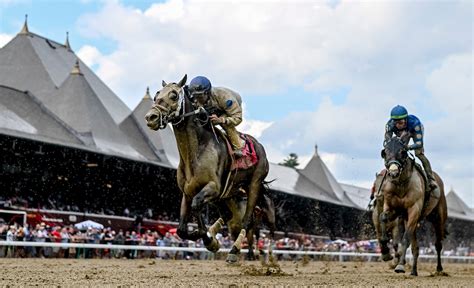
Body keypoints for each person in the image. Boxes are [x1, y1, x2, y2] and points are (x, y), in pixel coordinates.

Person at [188, 76, 245, 157]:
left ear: (207, 93)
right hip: (212, 109)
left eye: (199, 96)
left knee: (225, 124)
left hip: (228, 110)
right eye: (195, 96)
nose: (196, 100)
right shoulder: (195, 97)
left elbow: (238, 118)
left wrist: (221, 120)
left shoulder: (225, 97)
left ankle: (238, 147)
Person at [384, 105, 438, 190]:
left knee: (419, 154)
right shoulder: (390, 124)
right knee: (393, 152)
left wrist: (408, 147)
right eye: (396, 123)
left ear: (405, 120)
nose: (398, 125)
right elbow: (387, 140)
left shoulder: (415, 124)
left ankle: (431, 178)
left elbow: (419, 144)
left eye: (400, 123)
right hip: (402, 134)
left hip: (413, 131)